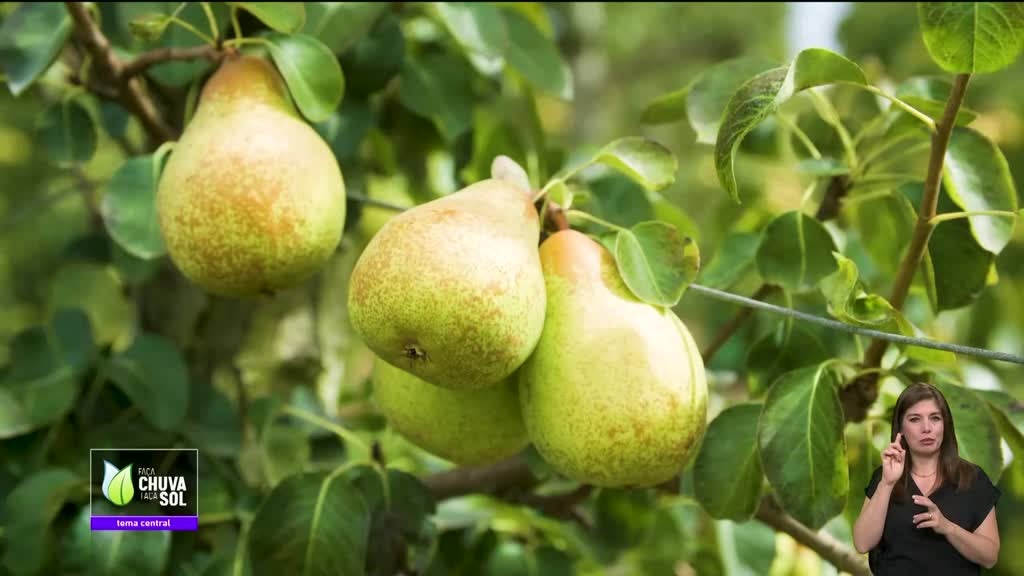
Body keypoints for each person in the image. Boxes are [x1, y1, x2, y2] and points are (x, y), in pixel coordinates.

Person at [853, 382, 1001, 574]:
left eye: (935, 418)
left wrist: (948, 528)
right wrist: (887, 483)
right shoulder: (884, 477)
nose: (926, 428)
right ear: (901, 429)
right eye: (915, 419)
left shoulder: (972, 479)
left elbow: (990, 557)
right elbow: (862, 543)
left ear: (945, 425)